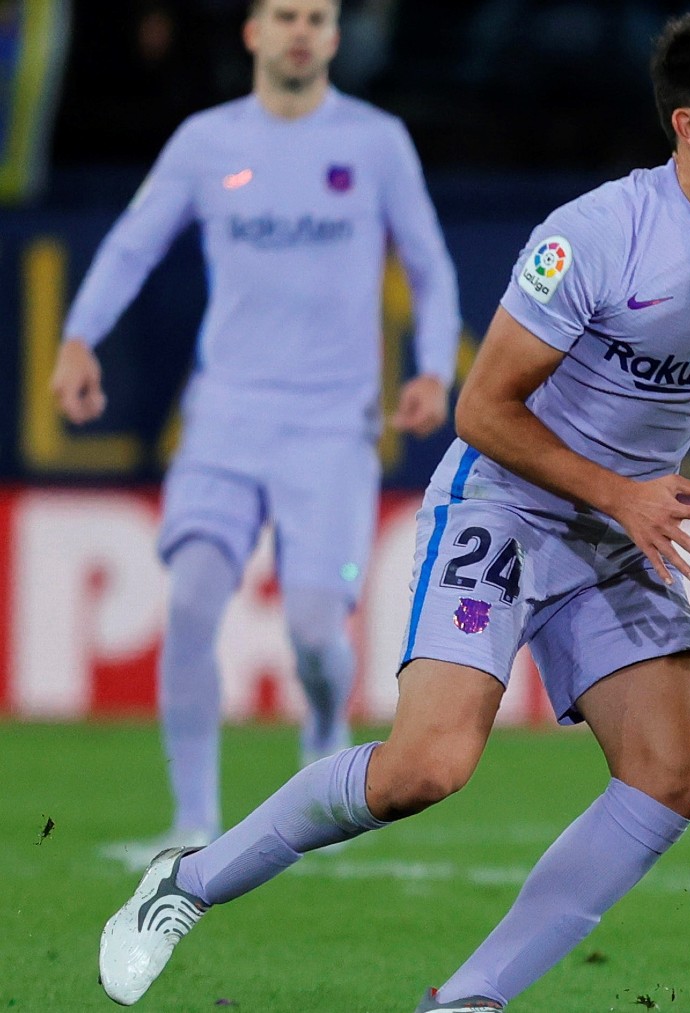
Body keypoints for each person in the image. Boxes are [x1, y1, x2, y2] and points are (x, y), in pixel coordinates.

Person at [97, 13, 690, 1011]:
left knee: (670, 772)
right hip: (507, 505)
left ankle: (467, 999)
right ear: (689, 128)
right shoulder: (596, 236)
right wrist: (622, 489)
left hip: (619, 530)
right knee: (428, 765)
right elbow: (482, 408)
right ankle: (184, 882)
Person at [52, 0, 459, 856]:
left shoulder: (376, 140)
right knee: (195, 600)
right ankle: (194, 820)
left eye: (316, 16)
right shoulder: (206, 142)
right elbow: (131, 245)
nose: (301, 30)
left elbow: (426, 262)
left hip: (331, 425)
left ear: (335, 38)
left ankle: (322, 737)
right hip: (226, 416)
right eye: (284, 15)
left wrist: (432, 367)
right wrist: (80, 338)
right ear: (254, 33)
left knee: (316, 630)